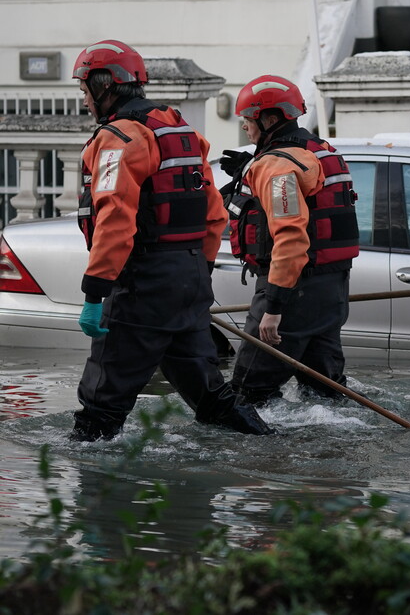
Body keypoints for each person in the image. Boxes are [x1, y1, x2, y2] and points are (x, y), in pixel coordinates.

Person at [70, 39, 274, 441]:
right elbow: (214, 212)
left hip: (142, 284)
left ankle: (88, 498)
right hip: (188, 277)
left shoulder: (119, 139)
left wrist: (94, 293)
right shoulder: (180, 131)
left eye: (84, 90)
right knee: (212, 397)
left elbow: (114, 219)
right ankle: (270, 446)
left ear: (103, 84)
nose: (84, 101)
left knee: (100, 408)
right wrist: (199, 269)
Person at [220, 75, 359, 406]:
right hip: (331, 291)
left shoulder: (279, 165)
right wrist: (251, 168)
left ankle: (259, 459)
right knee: (326, 395)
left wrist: (274, 307)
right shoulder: (321, 150)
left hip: (293, 291)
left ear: (269, 119)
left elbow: (291, 238)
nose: (244, 127)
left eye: (248, 120)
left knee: (246, 395)